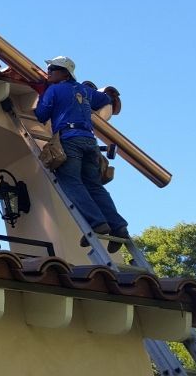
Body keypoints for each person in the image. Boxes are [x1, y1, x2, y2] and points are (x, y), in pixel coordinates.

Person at [33, 56, 129, 252]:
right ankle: (118, 226)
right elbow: (104, 99)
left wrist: (42, 94)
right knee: (94, 185)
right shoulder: (84, 90)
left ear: (64, 73)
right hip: (89, 142)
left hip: (70, 139)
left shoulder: (54, 90)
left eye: (53, 68)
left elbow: (41, 115)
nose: (49, 72)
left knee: (71, 182)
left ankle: (96, 223)